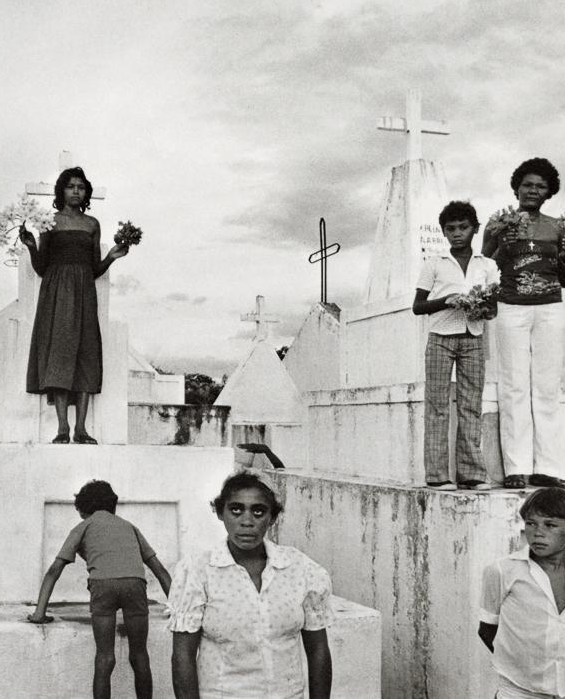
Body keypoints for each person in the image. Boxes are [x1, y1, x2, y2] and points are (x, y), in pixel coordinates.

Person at [169, 472, 333, 699]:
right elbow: (182, 657)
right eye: (236, 509)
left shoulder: (300, 569)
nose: (247, 521)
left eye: (258, 511)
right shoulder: (198, 571)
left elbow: (318, 651)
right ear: (220, 513)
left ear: (272, 518)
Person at [482, 158, 565, 489]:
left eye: (540, 186)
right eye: (527, 185)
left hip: (550, 308)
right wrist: (498, 239)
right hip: (512, 307)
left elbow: (564, 278)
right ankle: (516, 468)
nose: (533, 190)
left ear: (549, 191)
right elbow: (485, 260)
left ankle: (546, 468)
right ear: (516, 188)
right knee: (513, 386)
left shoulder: (559, 228)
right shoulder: (501, 224)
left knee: (546, 387)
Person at [27, 479, 172, 699]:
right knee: (140, 655)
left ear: (84, 509)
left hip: (102, 586)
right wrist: (178, 607)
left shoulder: (83, 526)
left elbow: (54, 571)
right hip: (135, 584)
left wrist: (39, 613)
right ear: (112, 504)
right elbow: (160, 571)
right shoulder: (129, 527)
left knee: (105, 657)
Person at [19, 167, 129, 444]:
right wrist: (32, 246)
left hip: (84, 291)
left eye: (81, 186)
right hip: (56, 291)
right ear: (62, 191)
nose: (76, 191)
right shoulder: (50, 222)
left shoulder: (92, 224)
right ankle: (62, 428)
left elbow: (94, 268)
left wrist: (112, 257)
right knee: (59, 355)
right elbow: (42, 267)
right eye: (71, 186)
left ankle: (81, 428)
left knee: (85, 354)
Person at [478, 487, 565, 699]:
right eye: (531, 523)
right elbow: (487, 630)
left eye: (550, 525)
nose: (538, 533)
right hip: (518, 692)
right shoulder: (503, 570)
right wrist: (524, 666)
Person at [412, 201, 500, 490]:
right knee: (437, 405)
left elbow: (493, 308)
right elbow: (418, 306)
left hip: (473, 337)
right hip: (440, 337)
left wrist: (480, 307)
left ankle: (472, 473)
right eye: (451, 229)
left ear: (475, 229)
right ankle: (437, 475)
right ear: (443, 232)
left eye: (463, 227)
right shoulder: (434, 263)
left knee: (471, 405)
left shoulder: (486, 265)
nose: (457, 234)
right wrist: (447, 300)